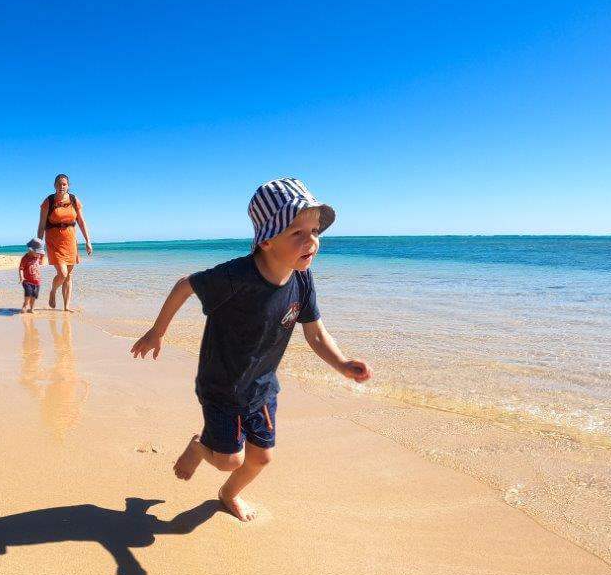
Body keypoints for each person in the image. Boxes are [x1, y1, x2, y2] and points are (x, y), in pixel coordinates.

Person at [129, 177, 371, 522]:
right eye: (297, 233)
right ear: (267, 241)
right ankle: (200, 447)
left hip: (261, 387)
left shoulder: (301, 278)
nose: (312, 241)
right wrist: (157, 331)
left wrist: (343, 364)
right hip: (222, 388)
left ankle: (228, 494)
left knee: (261, 458)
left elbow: (315, 334)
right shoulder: (235, 278)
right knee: (230, 460)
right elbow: (186, 285)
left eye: (315, 231)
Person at [37, 174, 93, 311]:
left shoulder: (74, 200)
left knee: (69, 276)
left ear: (68, 186)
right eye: (59, 184)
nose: (61, 186)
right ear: (54, 185)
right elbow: (41, 225)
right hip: (53, 241)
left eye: (64, 184)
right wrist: (39, 246)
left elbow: (81, 221)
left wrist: (88, 241)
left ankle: (66, 307)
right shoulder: (48, 201)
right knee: (63, 273)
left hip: (70, 240)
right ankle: (53, 290)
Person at [19, 238, 45, 313]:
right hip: (27, 281)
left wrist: (41, 255)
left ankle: (31, 308)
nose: (38, 254)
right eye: (37, 252)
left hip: (37, 281)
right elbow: (21, 268)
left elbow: (41, 261)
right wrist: (21, 277)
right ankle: (25, 305)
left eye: (40, 253)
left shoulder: (38, 256)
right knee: (28, 294)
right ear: (31, 250)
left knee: (34, 296)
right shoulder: (25, 258)